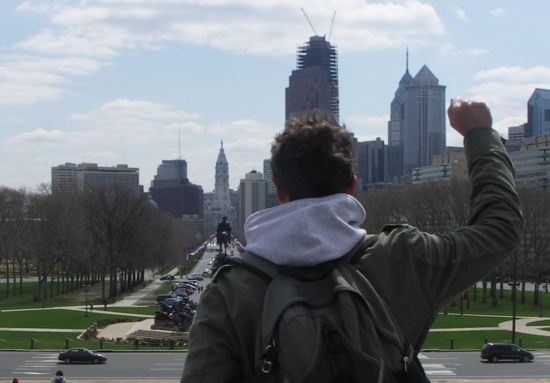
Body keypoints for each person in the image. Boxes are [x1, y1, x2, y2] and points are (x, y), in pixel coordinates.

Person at [181, 99, 524, 382]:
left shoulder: (229, 293)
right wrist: (480, 135)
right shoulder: (403, 259)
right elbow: (500, 228)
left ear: (279, 189)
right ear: (352, 186)